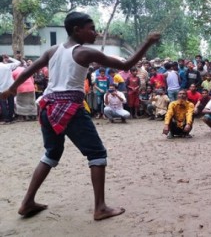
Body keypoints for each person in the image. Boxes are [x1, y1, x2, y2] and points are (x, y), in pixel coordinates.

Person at [0, 12, 160, 219]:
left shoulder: (52, 51)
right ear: (77, 30)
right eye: (91, 28)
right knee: (97, 154)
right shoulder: (84, 53)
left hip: (47, 106)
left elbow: (27, 71)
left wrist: (12, 89)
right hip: (69, 108)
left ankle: (27, 202)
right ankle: (100, 207)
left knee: (51, 153)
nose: (95, 32)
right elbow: (126, 65)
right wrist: (147, 43)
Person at [0, 55, 20, 124]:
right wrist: (9, 58)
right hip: (10, 87)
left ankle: (6, 118)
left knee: (3, 103)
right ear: (2, 59)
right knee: (11, 102)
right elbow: (18, 62)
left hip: (1, 88)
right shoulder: (7, 66)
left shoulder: (7, 66)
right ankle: (11, 118)